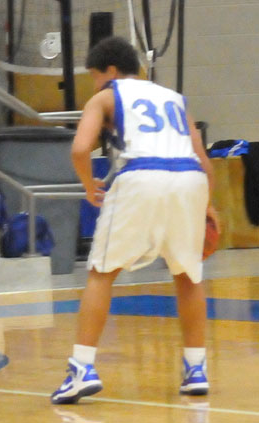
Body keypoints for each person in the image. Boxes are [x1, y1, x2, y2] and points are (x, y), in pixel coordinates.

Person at [50, 37, 219, 405]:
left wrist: (87, 184)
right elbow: (203, 158)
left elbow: (80, 148)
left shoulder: (106, 96)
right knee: (188, 275)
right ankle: (196, 369)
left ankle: (81, 368)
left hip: (142, 174)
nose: (94, 85)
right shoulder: (174, 98)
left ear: (110, 71)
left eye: (94, 77)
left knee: (101, 271)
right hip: (190, 178)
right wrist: (208, 205)